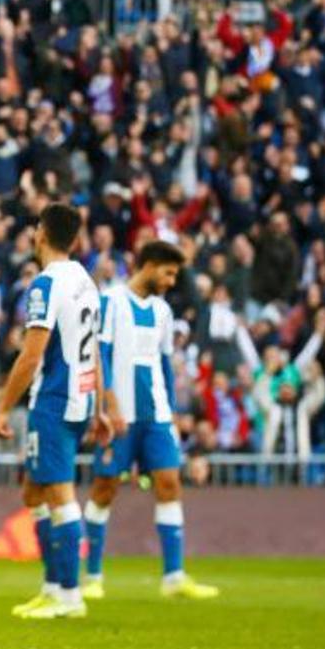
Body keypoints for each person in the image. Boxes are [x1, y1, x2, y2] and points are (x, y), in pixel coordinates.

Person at [0, 203, 107, 620]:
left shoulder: (46, 283)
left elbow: (31, 354)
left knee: (59, 494)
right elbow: (95, 349)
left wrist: (3, 408)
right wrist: (102, 405)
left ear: (40, 234)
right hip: (82, 396)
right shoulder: (86, 281)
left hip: (55, 399)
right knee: (33, 492)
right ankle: (53, 586)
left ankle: (69, 596)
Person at [85, 241, 219, 601]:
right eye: (169, 272)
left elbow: (163, 364)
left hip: (156, 414)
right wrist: (110, 405)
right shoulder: (111, 301)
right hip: (120, 415)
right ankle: (93, 576)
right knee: (104, 488)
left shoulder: (162, 311)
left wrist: (172, 413)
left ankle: (174, 576)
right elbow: (103, 356)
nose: (172, 280)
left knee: (170, 482)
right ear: (149, 265)